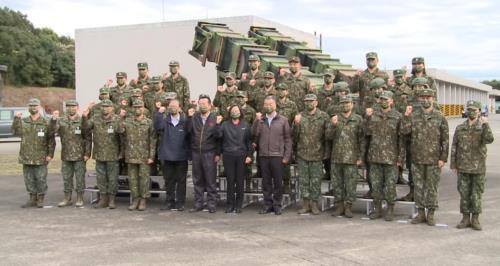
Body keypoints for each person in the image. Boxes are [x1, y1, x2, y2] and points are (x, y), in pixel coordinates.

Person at [402, 88, 449, 226]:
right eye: (423, 97)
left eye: (429, 97)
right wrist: (406, 115)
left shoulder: (440, 117)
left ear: (433, 99)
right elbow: (404, 132)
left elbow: (445, 140)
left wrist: (443, 158)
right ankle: (421, 213)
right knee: (419, 187)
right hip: (417, 158)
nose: (426, 99)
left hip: (433, 159)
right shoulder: (414, 116)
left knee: (432, 187)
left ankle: (431, 214)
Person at [451, 100, 494, 230]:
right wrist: (453, 164)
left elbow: (489, 139)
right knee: (464, 193)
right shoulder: (460, 128)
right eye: (469, 109)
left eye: (474, 110)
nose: (471, 112)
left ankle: (475, 219)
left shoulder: (482, 127)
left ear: (479, 112)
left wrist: (486, 124)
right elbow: (454, 146)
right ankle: (465, 218)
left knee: (476, 194)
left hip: (478, 167)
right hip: (463, 166)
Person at [364, 91, 404, 221]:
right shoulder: (374, 115)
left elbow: (401, 139)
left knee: (390, 186)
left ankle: (390, 209)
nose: (384, 102)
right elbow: (365, 133)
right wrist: (367, 118)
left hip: (391, 158)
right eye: (382, 99)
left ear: (391, 101)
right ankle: (377, 209)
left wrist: (400, 158)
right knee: (376, 186)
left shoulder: (398, 117)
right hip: (375, 156)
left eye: (386, 99)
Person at [12, 98, 55, 208]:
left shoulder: (46, 121)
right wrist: (16, 119)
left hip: (41, 157)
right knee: (29, 179)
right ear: (28, 107)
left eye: (35, 106)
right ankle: (32, 198)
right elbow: (16, 132)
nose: (33, 107)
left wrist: (50, 154)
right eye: (31, 106)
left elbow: (51, 139)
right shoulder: (24, 121)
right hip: (26, 156)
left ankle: (40, 199)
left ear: (39, 107)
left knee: (41, 179)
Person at [252, 96, 292, 215]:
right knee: (266, 183)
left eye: (270, 104)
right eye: (266, 104)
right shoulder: (261, 120)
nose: (268, 106)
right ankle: (267, 205)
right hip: (263, 156)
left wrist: (286, 157)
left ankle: (277, 205)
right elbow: (253, 134)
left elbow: (288, 139)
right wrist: (256, 121)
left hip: (277, 156)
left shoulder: (283, 120)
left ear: (275, 105)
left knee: (278, 183)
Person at [326, 95, 365, 218]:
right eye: (343, 103)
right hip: (337, 157)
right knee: (337, 184)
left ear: (352, 105)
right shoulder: (335, 119)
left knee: (350, 184)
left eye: (347, 103)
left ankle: (348, 207)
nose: (345, 105)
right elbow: (328, 136)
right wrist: (333, 125)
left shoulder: (358, 119)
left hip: (351, 158)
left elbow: (362, 139)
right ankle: (339, 206)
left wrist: (360, 157)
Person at [50, 100, 91, 208]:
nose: (71, 108)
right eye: (68, 107)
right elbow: (51, 132)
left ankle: (80, 198)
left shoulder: (82, 120)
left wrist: (87, 153)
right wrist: (53, 120)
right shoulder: (61, 120)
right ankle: (67, 198)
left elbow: (88, 137)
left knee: (80, 178)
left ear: (77, 108)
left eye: (73, 106)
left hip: (80, 155)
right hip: (66, 155)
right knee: (66, 178)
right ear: (66, 108)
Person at [83, 99, 123, 209]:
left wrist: (121, 152)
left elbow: (122, 137)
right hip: (99, 153)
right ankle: (103, 199)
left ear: (112, 108)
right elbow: (85, 128)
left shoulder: (117, 119)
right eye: (103, 106)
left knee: (112, 178)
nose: (104, 108)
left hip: (112, 154)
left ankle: (111, 199)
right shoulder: (95, 118)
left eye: (107, 106)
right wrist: (85, 117)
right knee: (101, 178)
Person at [293, 94, 329, 215]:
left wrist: (326, 152)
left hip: (317, 153)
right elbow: (294, 136)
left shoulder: (323, 116)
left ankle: (314, 204)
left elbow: (327, 136)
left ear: (316, 102)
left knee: (315, 180)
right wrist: (296, 124)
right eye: (306, 101)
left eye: (311, 101)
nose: (309, 103)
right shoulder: (299, 116)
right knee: (304, 180)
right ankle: (305, 204)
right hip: (302, 153)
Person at [119, 99, 157, 211]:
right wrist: (121, 117)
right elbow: (119, 130)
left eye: (140, 107)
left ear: (144, 109)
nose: (138, 109)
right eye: (135, 107)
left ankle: (143, 200)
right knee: (133, 179)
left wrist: (151, 156)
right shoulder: (128, 121)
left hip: (144, 156)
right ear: (132, 109)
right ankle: (135, 199)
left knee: (144, 179)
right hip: (131, 155)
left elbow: (153, 140)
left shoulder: (149, 122)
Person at [155, 99, 191, 211]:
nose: (173, 108)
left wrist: (190, 117)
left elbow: (191, 132)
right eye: (171, 106)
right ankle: (169, 201)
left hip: (181, 156)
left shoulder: (185, 121)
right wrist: (159, 113)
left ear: (180, 108)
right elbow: (157, 127)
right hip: (167, 156)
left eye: (175, 106)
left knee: (181, 181)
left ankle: (180, 202)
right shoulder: (165, 121)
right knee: (169, 180)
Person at [186, 94, 221, 213]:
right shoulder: (195, 117)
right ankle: (198, 203)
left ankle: (211, 204)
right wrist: (189, 117)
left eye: (204, 104)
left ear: (210, 105)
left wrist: (217, 153)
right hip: (196, 153)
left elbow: (219, 136)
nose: (202, 106)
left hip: (209, 153)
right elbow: (188, 131)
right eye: (200, 104)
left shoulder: (214, 117)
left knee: (210, 180)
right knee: (197, 179)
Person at [216, 105, 253, 213]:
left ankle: (238, 205)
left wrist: (249, 155)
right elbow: (218, 136)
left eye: (237, 110)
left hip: (241, 156)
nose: (235, 112)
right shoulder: (225, 125)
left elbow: (249, 142)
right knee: (230, 181)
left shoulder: (245, 125)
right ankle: (230, 204)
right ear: (230, 112)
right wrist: (217, 124)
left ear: (240, 112)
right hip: (228, 155)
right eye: (233, 111)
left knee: (240, 181)